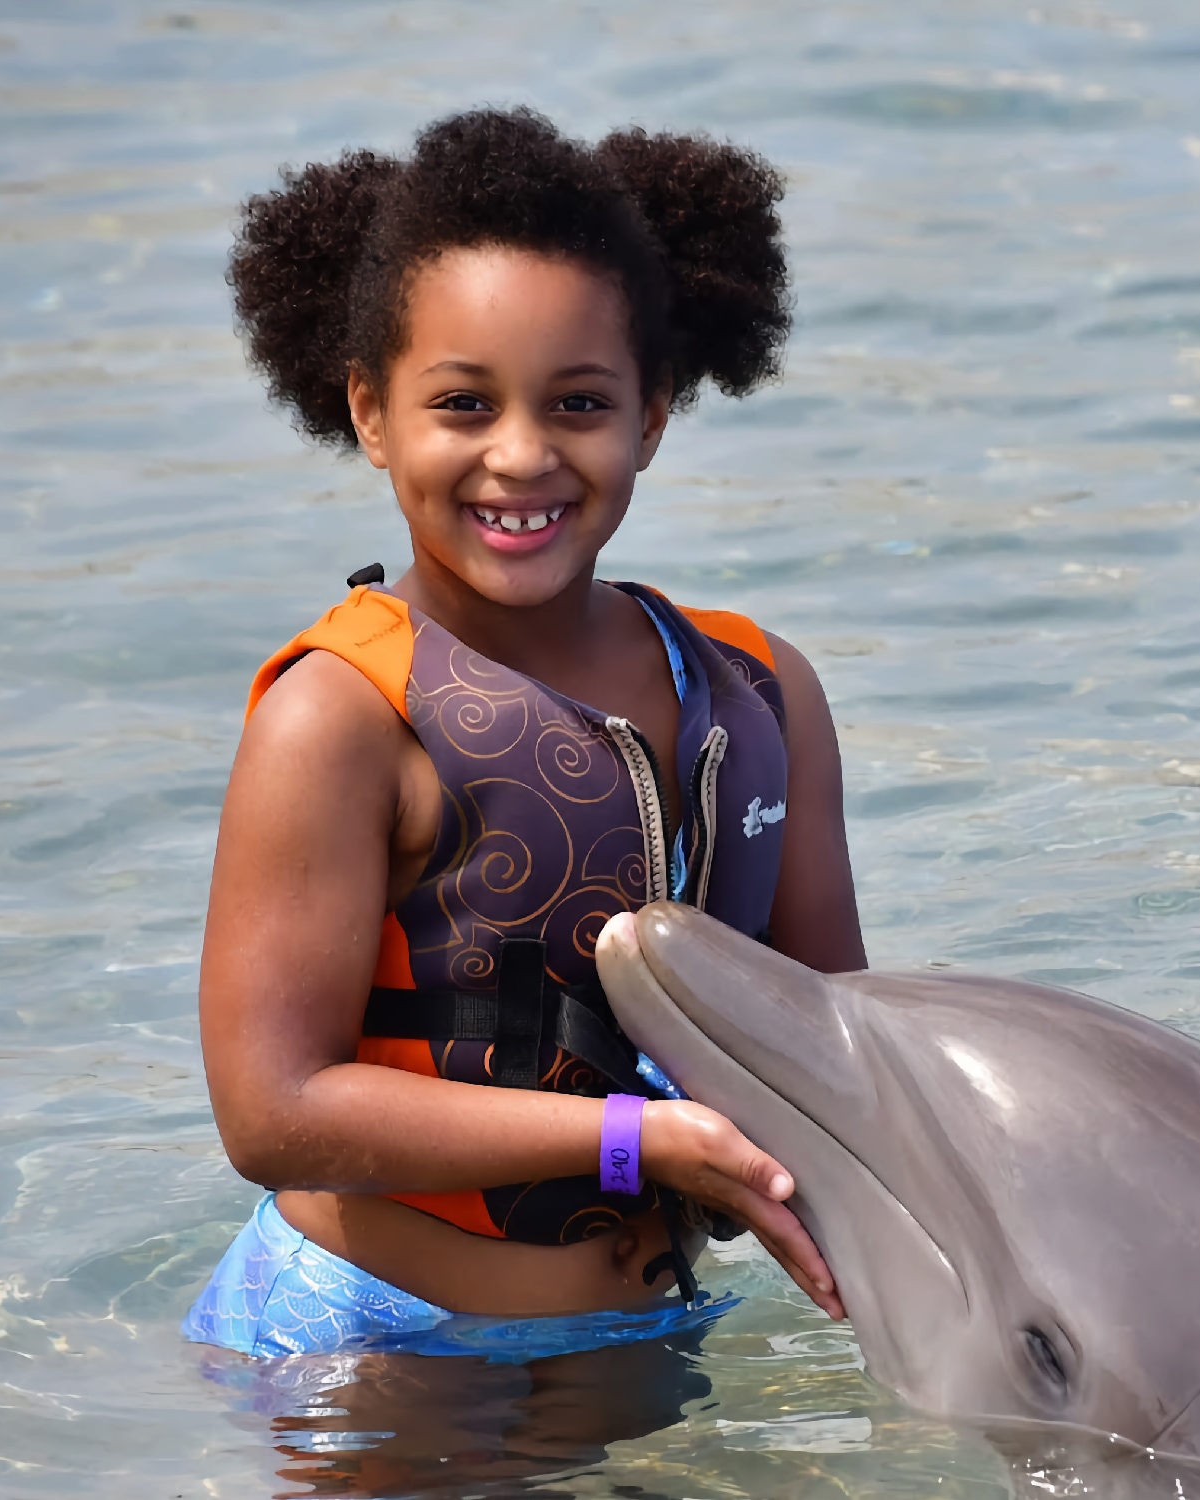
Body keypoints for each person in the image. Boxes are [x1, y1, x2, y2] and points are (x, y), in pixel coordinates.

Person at [182, 106, 857, 1364]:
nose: (521, 456)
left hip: (643, 1346)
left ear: (654, 414)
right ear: (370, 414)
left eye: (580, 402)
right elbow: (269, 1115)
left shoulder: (761, 693)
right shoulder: (340, 716)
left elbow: (839, 1042)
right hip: (369, 1356)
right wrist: (634, 1144)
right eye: (461, 404)